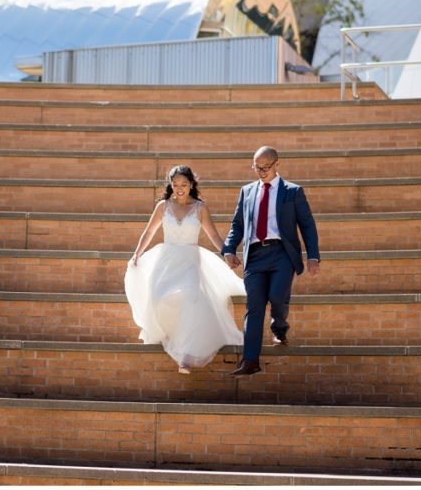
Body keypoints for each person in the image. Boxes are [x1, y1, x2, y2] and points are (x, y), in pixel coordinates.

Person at [124, 165, 246, 374]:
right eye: (175, 184)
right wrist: (137, 253)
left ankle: (185, 356)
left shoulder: (200, 208)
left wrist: (228, 253)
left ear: (191, 185)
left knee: (191, 299)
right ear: (171, 185)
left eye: (184, 184)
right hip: (166, 261)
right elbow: (149, 232)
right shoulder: (163, 206)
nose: (179, 188)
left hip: (190, 261)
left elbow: (214, 236)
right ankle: (170, 334)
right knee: (158, 298)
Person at [222, 146, 320, 377]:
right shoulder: (247, 191)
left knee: (276, 296)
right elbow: (237, 225)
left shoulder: (293, 192)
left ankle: (279, 326)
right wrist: (228, 249)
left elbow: (307, 224)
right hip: (255, 255)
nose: (261, 172)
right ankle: (250, 360)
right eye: (257, 167)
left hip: (282, 253)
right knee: (254, 306)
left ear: (277, 164)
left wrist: (313, 256)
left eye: (265, 167)